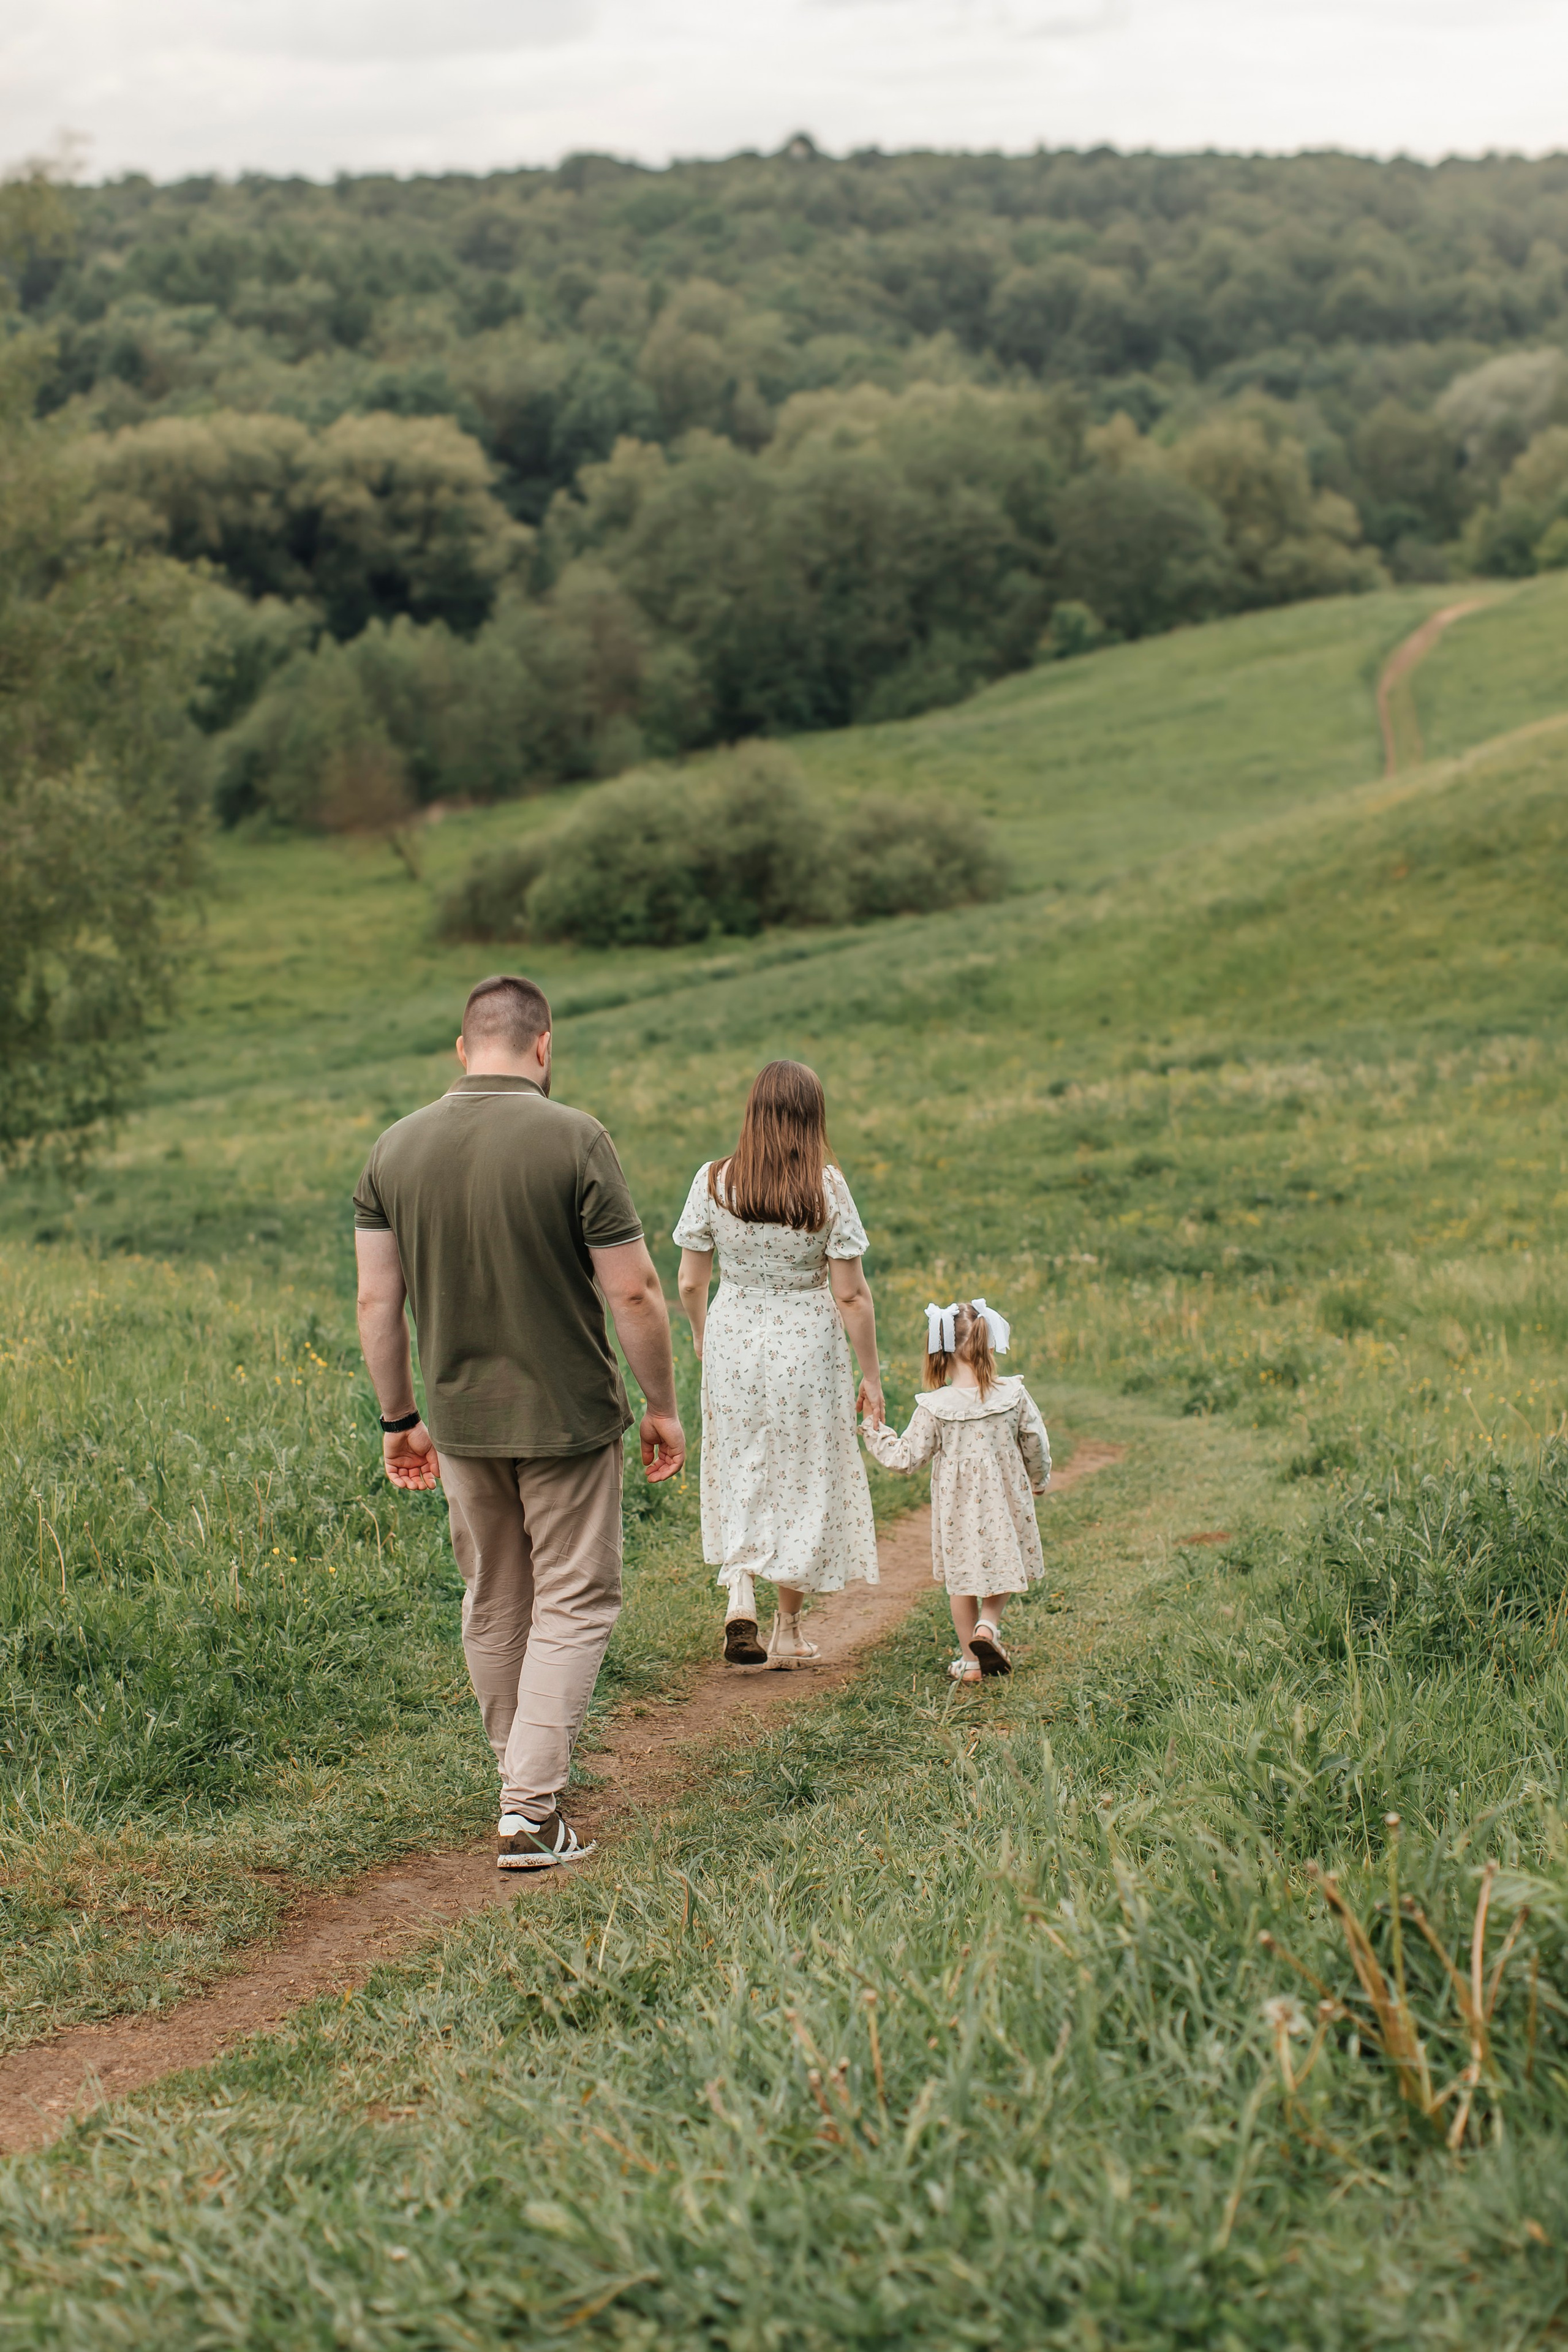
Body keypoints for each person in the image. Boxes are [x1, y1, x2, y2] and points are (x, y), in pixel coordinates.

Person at [352, 973, 685, 1871]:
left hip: (457, 1420)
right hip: (569, 1414)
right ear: (544, 1047)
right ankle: (532, 1813)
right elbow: (635, 1290)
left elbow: (377, 1299)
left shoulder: (393, 1149)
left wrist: (399, 1419)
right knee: (575, 1599)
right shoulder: (576, 1137)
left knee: (496, 1597)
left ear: (464, 1050)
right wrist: (661, 1407)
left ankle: (522, 1784)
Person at [674, 1060, 883, 1667]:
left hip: (734, 1339)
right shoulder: (826, 1187)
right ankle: (787, 1631)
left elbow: (690, 1282)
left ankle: (740, 1592)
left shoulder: (713, 1181)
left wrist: (701, 1335)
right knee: (801, 1478)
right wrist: (870, 1376)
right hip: (807, 1348)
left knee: (739, 1460)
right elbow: (850, 1295)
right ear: (812, 1117)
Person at [860, 1299, 1050, 1682]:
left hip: (958, 1509)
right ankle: (989, 1626)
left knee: (962, 1580)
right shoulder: (1012, 1395)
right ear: (988, 1344)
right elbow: (1035, 1441)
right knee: (1004, 1564)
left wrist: (872, 1427)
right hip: (1005, 1501)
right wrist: (1038, 1479)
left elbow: (906, 1458)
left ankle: (972, 1662)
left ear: (939, 1353)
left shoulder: (936, 1406)